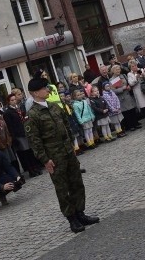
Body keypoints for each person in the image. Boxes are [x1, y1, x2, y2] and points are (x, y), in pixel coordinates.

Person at [25, 76, 99, 233]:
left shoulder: (54, 106)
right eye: (44, 88)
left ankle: (80, 213)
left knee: (76, 183)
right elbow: (35, 141)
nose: (48, 90)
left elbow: (66, 124)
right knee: (62, 188)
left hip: (67, 151)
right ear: (35, 93)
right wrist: (45, 160)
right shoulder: (32, 115)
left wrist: (72, 143)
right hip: (54, 156)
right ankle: (72, 218)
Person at [3, 92, 43, 177]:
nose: (14, 101)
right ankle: (30, 170)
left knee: (30, 151)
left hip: (25, 132)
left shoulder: (19, 108)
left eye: (15, 99)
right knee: (25, 153)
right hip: (18, 135)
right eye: (12, 100)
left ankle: (35, 167)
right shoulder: (8, 112)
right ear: (9, 102)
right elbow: (10, 127)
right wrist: (14, 138)